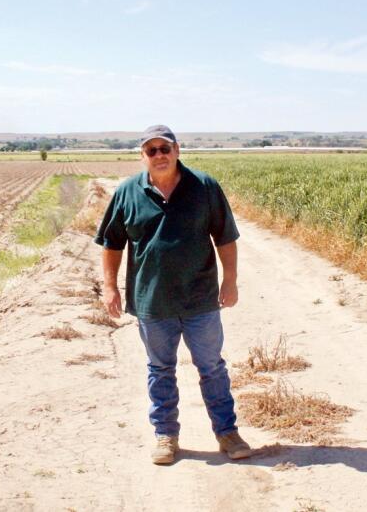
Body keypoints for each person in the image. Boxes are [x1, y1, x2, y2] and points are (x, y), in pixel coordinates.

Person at [94, 124, 252, 465]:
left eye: (164, 148)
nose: (159, 155)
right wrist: (109, 287)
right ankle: (165, 436)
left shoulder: (204, 187)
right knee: (160, 369)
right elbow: (112, 243)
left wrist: (231, 281)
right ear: (143, 156)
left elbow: (225, 237)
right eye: (151, 151)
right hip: (152, 302)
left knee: (212, 368)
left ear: (177, 150)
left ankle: (227, 433)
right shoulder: (127, 192)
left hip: (200, 299)